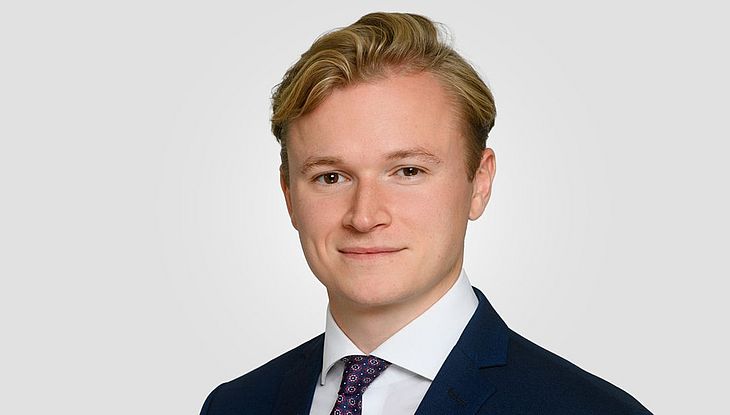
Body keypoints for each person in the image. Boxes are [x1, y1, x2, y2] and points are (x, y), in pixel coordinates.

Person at [201, 12, 652, 415]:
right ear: (288, 196)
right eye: (331, 177)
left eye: (408, 171)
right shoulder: (234, 405)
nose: (364, 217)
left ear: (479, 184)